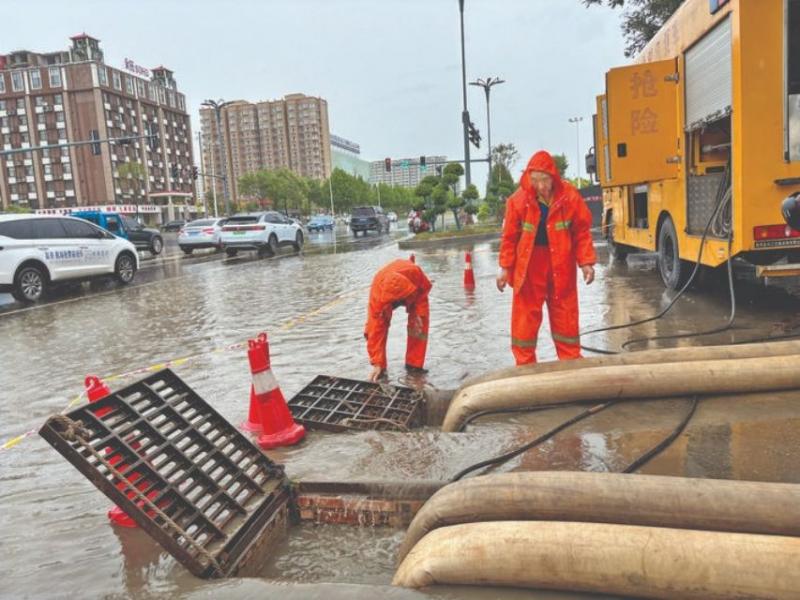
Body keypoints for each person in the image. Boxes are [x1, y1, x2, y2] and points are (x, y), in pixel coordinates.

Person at [496, 150, 596, 365]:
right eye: (535, 180)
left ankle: (571, 361)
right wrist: (505, 268)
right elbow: (510, 238)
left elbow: (581, 232)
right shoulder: (518, 201)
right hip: (529, 267)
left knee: (565, 314)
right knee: (525, 318)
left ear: (553, 177)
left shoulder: (569, 197)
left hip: (561, 264)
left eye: (544, 180)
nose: (540, 186)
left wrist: (586, 263)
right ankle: (525, 365)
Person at [364, 258, 432, 381]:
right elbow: (375, 330)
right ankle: (381, 368)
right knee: (375, 327)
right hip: (383, 294)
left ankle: (414, 366)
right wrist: (377, 362)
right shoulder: (378, 297)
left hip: (416, 292)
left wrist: (418, 315)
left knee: (419, 326)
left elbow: (425, 288)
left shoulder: (415, 273)